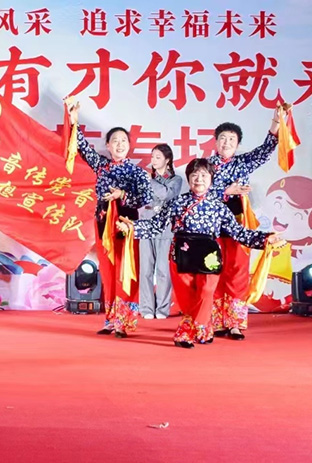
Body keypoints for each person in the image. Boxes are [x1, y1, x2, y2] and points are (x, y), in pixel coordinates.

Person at [118, 159, 284, 348]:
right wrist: (132, 228)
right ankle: (203, 329)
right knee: (188, 298)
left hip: (209, 256)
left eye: (204, 175)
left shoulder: (219, 206)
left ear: (211, 179)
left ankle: (186, 332)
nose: (199, 179)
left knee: (206, 292)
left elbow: (239, 232)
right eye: (194, 175)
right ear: (188, 179)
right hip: (182, 254)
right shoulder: (177, 202)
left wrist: (265, 239)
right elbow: (156, 225)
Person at [67, 102, 153, 338]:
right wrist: (74, 121)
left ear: (129, 146)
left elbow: (146, 198)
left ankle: (124, 322)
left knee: (126, 270)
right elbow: (82, 147)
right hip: (104, 223)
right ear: (107, 145)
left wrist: (122, 195)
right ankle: (111, 319)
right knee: (107, 270)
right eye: (115, 141)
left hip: (126, 225)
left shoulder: (137, 172)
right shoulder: (102, 166)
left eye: (123, 141)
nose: (119, 144)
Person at [209, 108, 283, 340]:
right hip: (211, 225)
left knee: (238, 272)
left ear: (238, 144)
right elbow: (197, 192)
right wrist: (226, 191)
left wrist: (276, 123)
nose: (226, 143)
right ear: (215, 142)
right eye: (223, 138)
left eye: (232, 139)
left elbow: (265, 150)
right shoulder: (204, 166)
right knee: (213, 271)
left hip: (239, 225)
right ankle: (216, 321)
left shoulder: (242, 163)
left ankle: (234, 323)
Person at [138, 144, 185, 320]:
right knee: (146, 269)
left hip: (166, 228)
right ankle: (146, 308)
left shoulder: (176, 180)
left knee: (164, 270)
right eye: (152, 157)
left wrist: (148, 181)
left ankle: (162, 309)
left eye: (158, 157)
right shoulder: (147, 179)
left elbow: (166, 194)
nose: (153, 160)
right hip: (146, 225)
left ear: (167, 160)